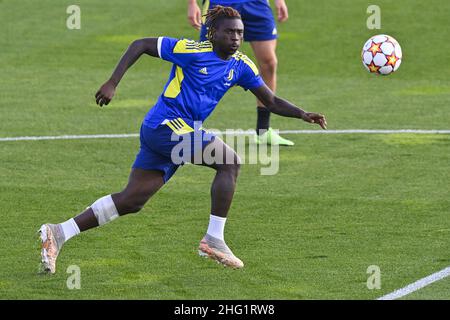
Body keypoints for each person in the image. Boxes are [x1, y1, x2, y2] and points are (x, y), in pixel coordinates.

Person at [38, 5, 326, 274]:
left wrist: (303, 114)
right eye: (230, 32)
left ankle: (59, 232)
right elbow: (141, 44)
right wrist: (113, 82)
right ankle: (213, 240)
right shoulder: (192, 49)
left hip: (176, 132)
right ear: (213, 34)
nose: (237, 37)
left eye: (240, 32)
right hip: (164, 126)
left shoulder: (241, 66)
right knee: (229, 161)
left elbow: (271, 100)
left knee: (132, 200)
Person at [188, 0, 294, 146]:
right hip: (221, 4)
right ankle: (189, 127)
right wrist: (192, 3)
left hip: (256, 4)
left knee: (269, 63)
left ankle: (263, 131)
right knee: (207, 67)